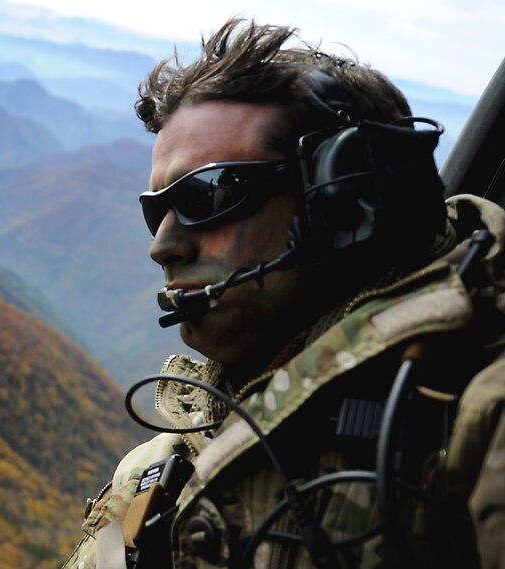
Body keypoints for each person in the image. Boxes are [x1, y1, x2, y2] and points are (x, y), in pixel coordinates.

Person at [62, 18, 505, 569]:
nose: (162, 245)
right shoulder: (158, 471)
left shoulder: (476, 420)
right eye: (157, 209)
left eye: (209, 193)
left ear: (341, 203)